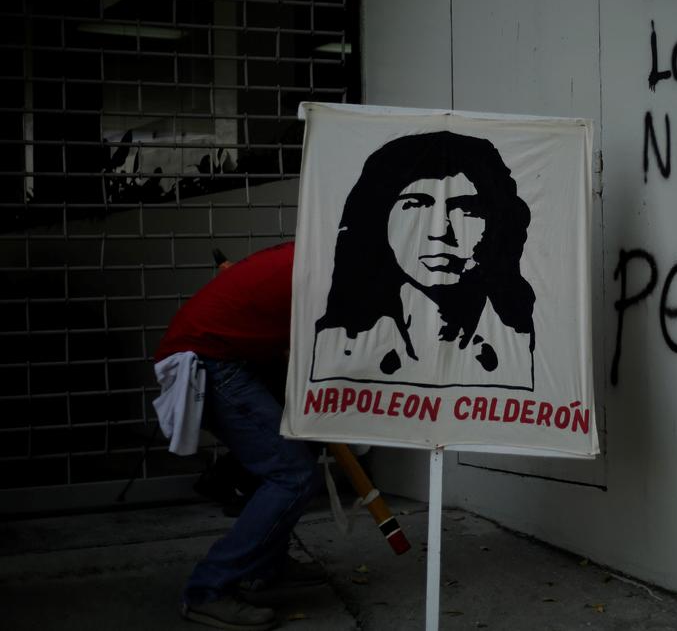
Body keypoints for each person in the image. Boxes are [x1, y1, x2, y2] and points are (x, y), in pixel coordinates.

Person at [154, 241, 325, 631]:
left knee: (304, 446)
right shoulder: (336, 263)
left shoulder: (326, 248)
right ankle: (207, 590)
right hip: (210, 358)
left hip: (232, 353)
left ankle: (265, 566)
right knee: (293, 474)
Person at [310, 131, 537, 390]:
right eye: (415, 205)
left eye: (465, 209)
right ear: (378, 220)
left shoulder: (517, 343)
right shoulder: (341, 344)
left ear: (495, 222)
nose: (440, 231)